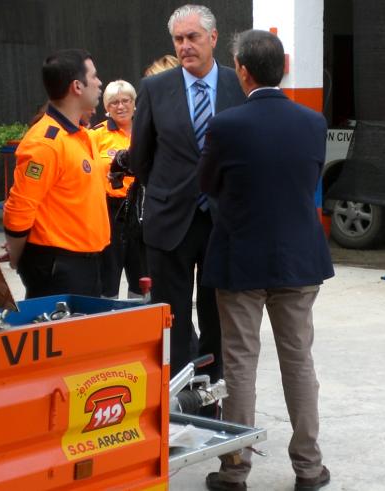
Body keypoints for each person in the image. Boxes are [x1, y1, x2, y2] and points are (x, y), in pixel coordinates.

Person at [198, 28, 333, 491]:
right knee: (299, 361)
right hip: (298, 258)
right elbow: (308, 180)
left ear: (242, 71)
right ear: (284, 69)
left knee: (239, 363)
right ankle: (309, 469)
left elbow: (209, 183)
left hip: (241, 259)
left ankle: (235, 470)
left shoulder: (226, 126)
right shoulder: (313, 123)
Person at [129, 5, 246, 383]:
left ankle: (211, 397)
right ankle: (176, 400)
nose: (185, 46)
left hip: (221, 222)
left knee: (217, 317)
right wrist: (167, 193)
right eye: (178, 39)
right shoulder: (154, 89)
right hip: (170, 223)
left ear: (212, 38)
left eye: (192, 37)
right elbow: (141, 157)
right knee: (172, 319)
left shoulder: (237, 86)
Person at [3, 49, 108, 298]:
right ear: (77, 87)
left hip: (85, 263)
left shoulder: (79, 135)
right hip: (59, 268)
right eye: (93, 76)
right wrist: (18, 258)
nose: (99, 82)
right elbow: (18, 211)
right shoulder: (45, 143)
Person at [90, 80, 146, 298]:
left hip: (140, 208)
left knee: (141, 271)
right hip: (110, 211)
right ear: (106, 108)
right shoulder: (95, 136)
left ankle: (139, 319)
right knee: (109, 273)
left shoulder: (146, 130)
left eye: (125, 100)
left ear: (134, 103)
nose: (121, 106)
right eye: (114, 102)